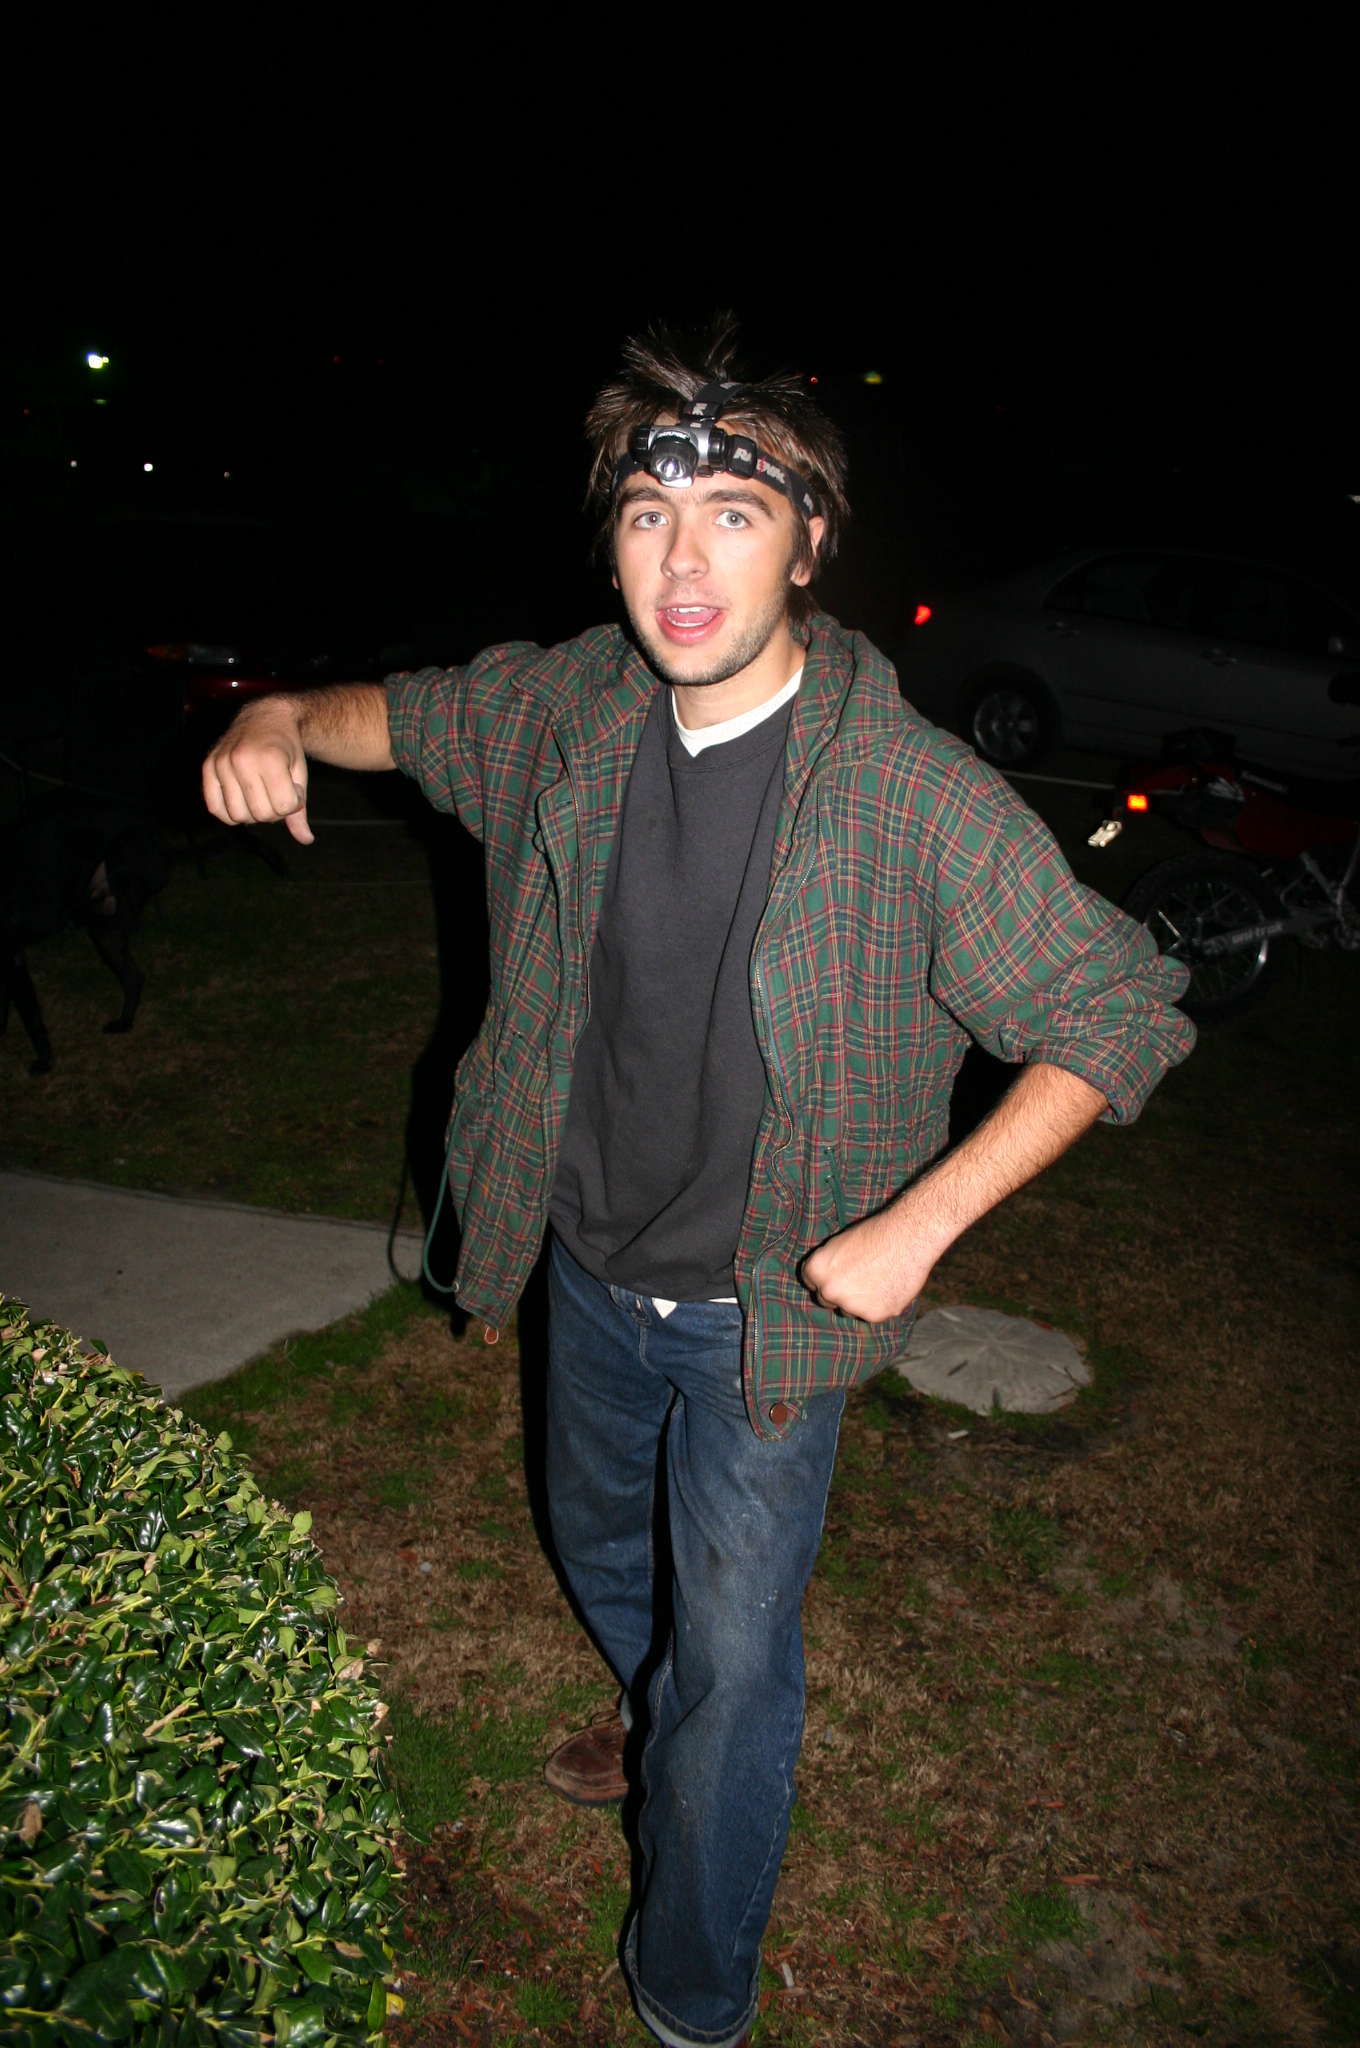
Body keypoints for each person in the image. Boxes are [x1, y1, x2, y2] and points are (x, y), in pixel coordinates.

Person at [202, 321, 1194, 2048]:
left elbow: (1123, 1008)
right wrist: (276, 713)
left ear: (810, 547)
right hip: (583, 1270)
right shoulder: (567, 710)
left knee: (735, 1673)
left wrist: (920, 1225)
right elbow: (401, 718)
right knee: (597, 1543)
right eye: (650, 516)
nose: (684, 560)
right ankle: (652, 1703)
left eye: (736, 515)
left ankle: (691, 1995)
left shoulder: (909, 798)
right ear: (610, 543)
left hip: (764, 1318)